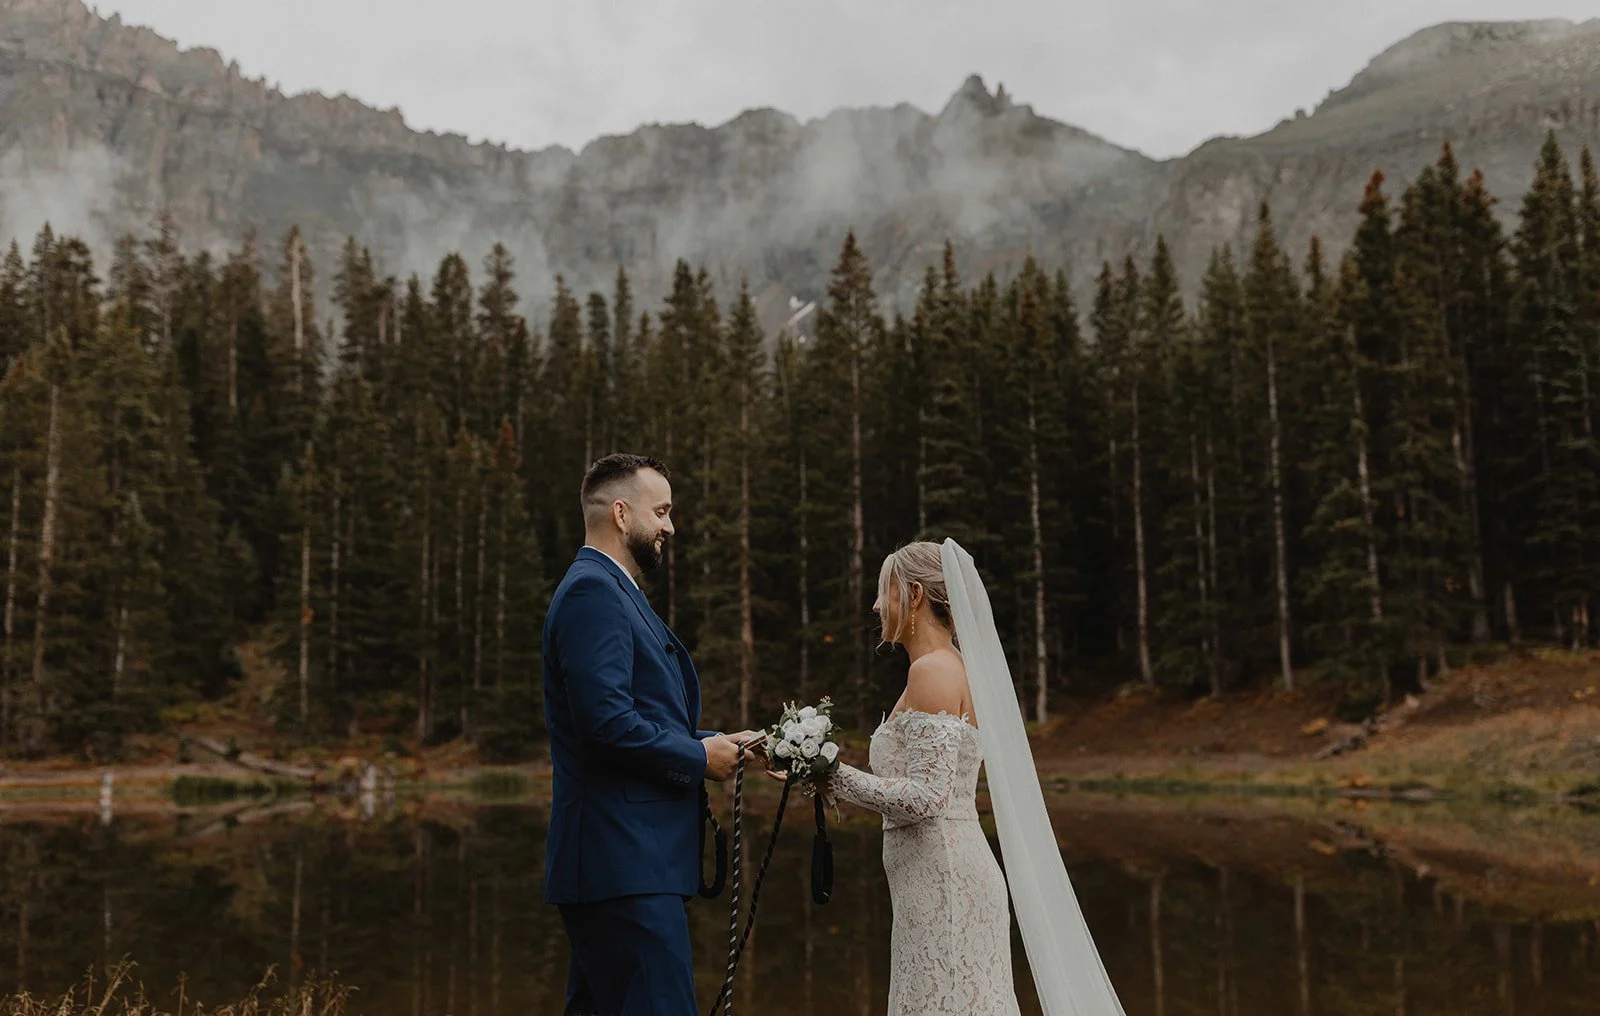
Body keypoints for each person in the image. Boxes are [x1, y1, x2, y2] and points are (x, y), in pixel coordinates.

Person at [775, 540, 1127, 1016]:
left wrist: (831, 773)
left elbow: (927, 798)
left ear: (915, 595)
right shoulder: (938, 668)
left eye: (886, 591)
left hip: (946, 878)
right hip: (929, 879)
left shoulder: (934, 671)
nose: (877, 605)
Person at [542, 453, 761, 1016]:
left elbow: (638, 717)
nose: (669, 525)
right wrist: (695, 756)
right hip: (622, 864)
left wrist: (725, 745)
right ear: (621, 513)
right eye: (661, 511)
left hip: (624, 864)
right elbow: (606, 725)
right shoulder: (594, 593)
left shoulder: (611, 590)